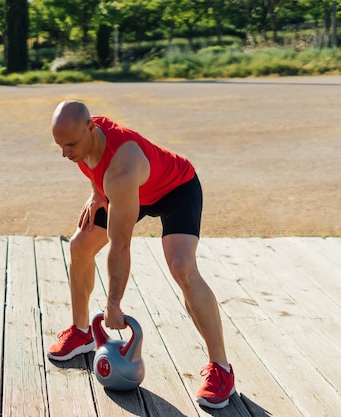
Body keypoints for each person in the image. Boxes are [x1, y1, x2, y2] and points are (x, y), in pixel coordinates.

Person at [47, 100, 235, 409]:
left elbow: (120, 244)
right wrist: (97, 192)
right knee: (79, 246)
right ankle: (82, 333)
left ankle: (221, 369)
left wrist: (113, 305)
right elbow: (91, 161)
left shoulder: (121, 167)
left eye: (70, 145)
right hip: (127, 191)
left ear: (90, 129)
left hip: (176, 189)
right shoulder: (83, 138)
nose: (65, 153)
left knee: (182, 266)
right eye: (59, 146)